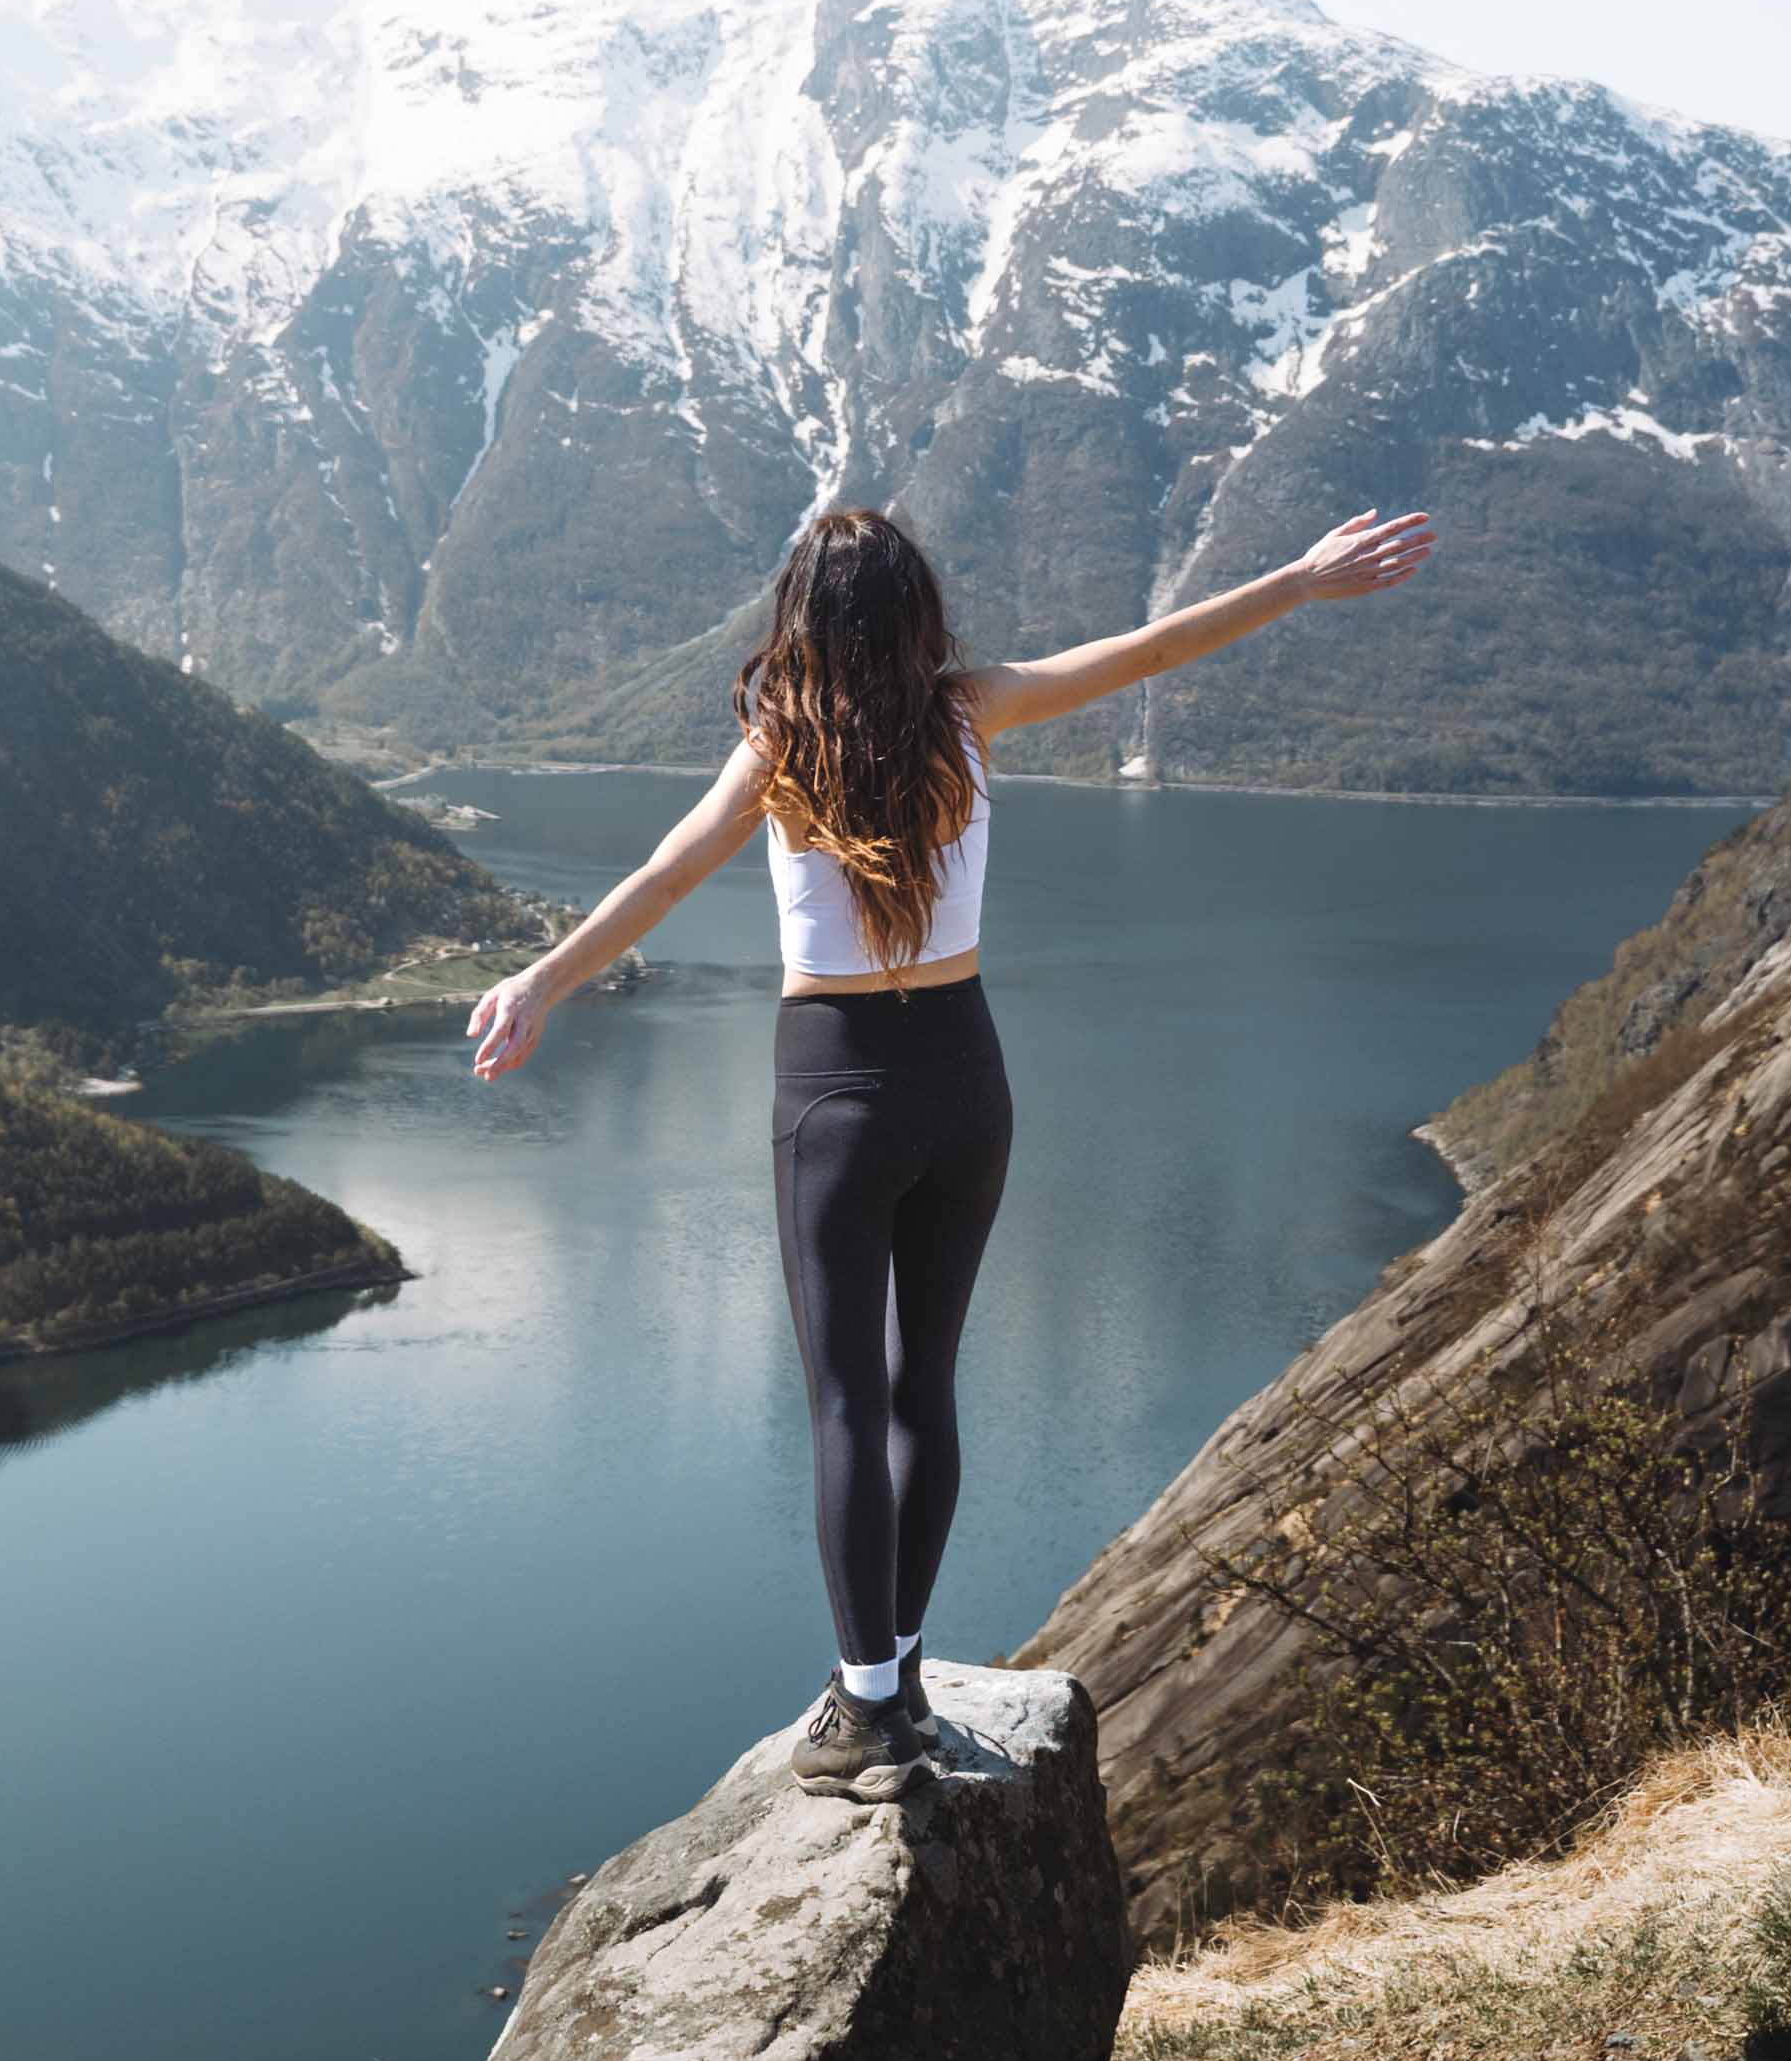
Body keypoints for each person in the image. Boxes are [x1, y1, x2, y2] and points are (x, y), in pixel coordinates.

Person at [464, 500, 1438, 1798]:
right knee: (927, 1384)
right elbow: (1146, 652)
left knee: (844, 1403)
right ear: (917, 610)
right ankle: (901, 1671)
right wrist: (1301, 582)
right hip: (967, 1083)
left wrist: (540, 982)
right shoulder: (968, 711)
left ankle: (868, 1704)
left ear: (799, 616)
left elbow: (662, 872)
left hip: (836, 1097)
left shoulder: (776, 748)